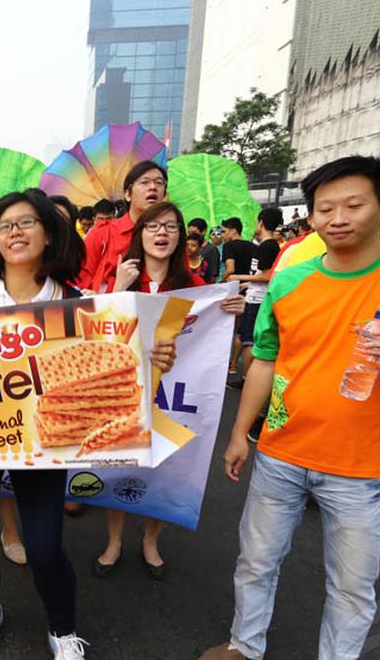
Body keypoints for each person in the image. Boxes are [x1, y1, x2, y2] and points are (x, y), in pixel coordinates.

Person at [199, 156, 380, 660]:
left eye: (354, 204)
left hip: (363, 465)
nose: (338, 217)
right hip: (281, 453)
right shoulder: (289, 281)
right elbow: (265, 360)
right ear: (310, 217)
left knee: (351, 588)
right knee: (256, 561)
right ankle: (244, 645)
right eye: (325, 207)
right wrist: (241, 432)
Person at [0, 189, 177, 660]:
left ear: (48, 233)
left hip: (48, 442)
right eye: (5, 225)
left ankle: (63, 628)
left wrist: (154, 356)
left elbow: (116, 362)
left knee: (44, 546)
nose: (15, 232)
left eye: (26, 223)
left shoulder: (76, 301)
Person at [96, 203, 245, 580]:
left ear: (180, 237)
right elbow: (97, 332)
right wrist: (117, 289)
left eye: (171, 227)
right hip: (124, 393)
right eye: (153, 226)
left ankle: (150, 539)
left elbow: (214, 345)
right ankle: (113, 542)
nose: (162, 233)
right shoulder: (121, 277)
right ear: (139, 233)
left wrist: (230, 311)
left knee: (161, 467)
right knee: (119, 464)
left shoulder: (198, 287)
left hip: (172, 395)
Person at [76, 161, 168, 292]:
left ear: (164, 196)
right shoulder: (102, 234)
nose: (153, 187)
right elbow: (79, 281)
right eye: (144, 182)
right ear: (128, 194)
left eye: (159, 183)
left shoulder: (171, 237)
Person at [227, 208, 281, 396]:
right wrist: (246, 284)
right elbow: (260, 275)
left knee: (249, 341)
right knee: (246, 337)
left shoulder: (268, 247)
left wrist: (237, 276)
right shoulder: (266, 245)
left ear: (261, 223)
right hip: (253, 296)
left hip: (257, 301)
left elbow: (267, 276)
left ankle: (247, 380)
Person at [219, 217, 256, 376]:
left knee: (228, 327)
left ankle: (230, 363)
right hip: (251, 289)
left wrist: (221, 281)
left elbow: (230, 268)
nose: (222, 235)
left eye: (225, 231)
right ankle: (235, 365)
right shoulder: (253, 246)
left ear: (234, 230)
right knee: (242, 330)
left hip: (233, 289)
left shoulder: (228, 246)